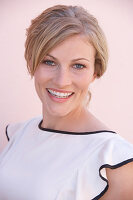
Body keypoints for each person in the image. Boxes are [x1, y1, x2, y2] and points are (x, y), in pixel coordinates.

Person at [0, 4, 133, 200]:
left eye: (78, 65)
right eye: (49, 62)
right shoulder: (19, 134)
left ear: (95, 72)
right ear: (32, 63)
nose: (62, 81)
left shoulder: (116, 161)